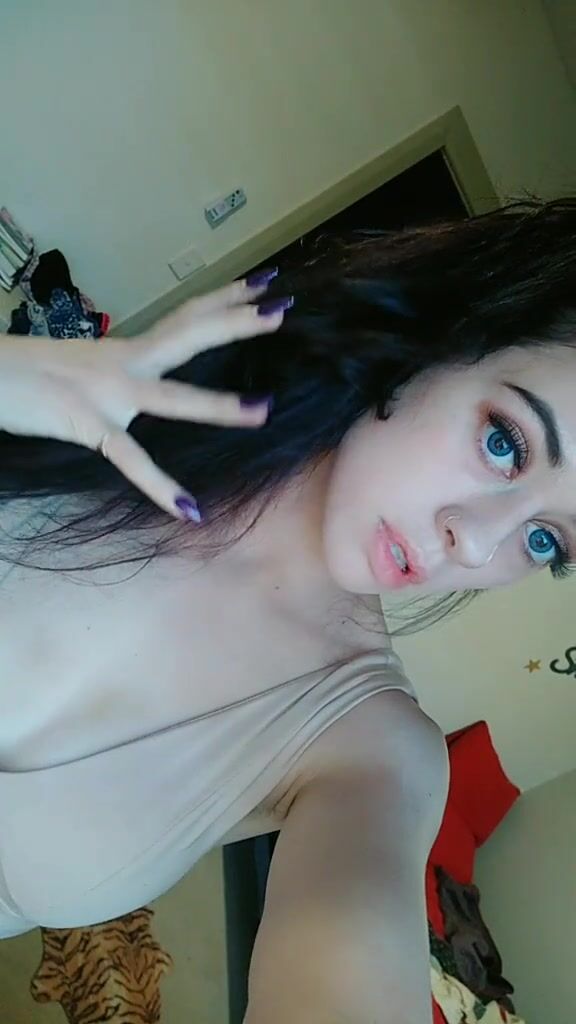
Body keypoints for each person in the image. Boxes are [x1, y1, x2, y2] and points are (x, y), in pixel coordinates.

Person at [0, 197, 574, 1024]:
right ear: (448, 343)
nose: (479, 545)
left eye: (546, 541)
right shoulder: (125, 413)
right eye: (505, 443)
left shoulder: (378, 749)